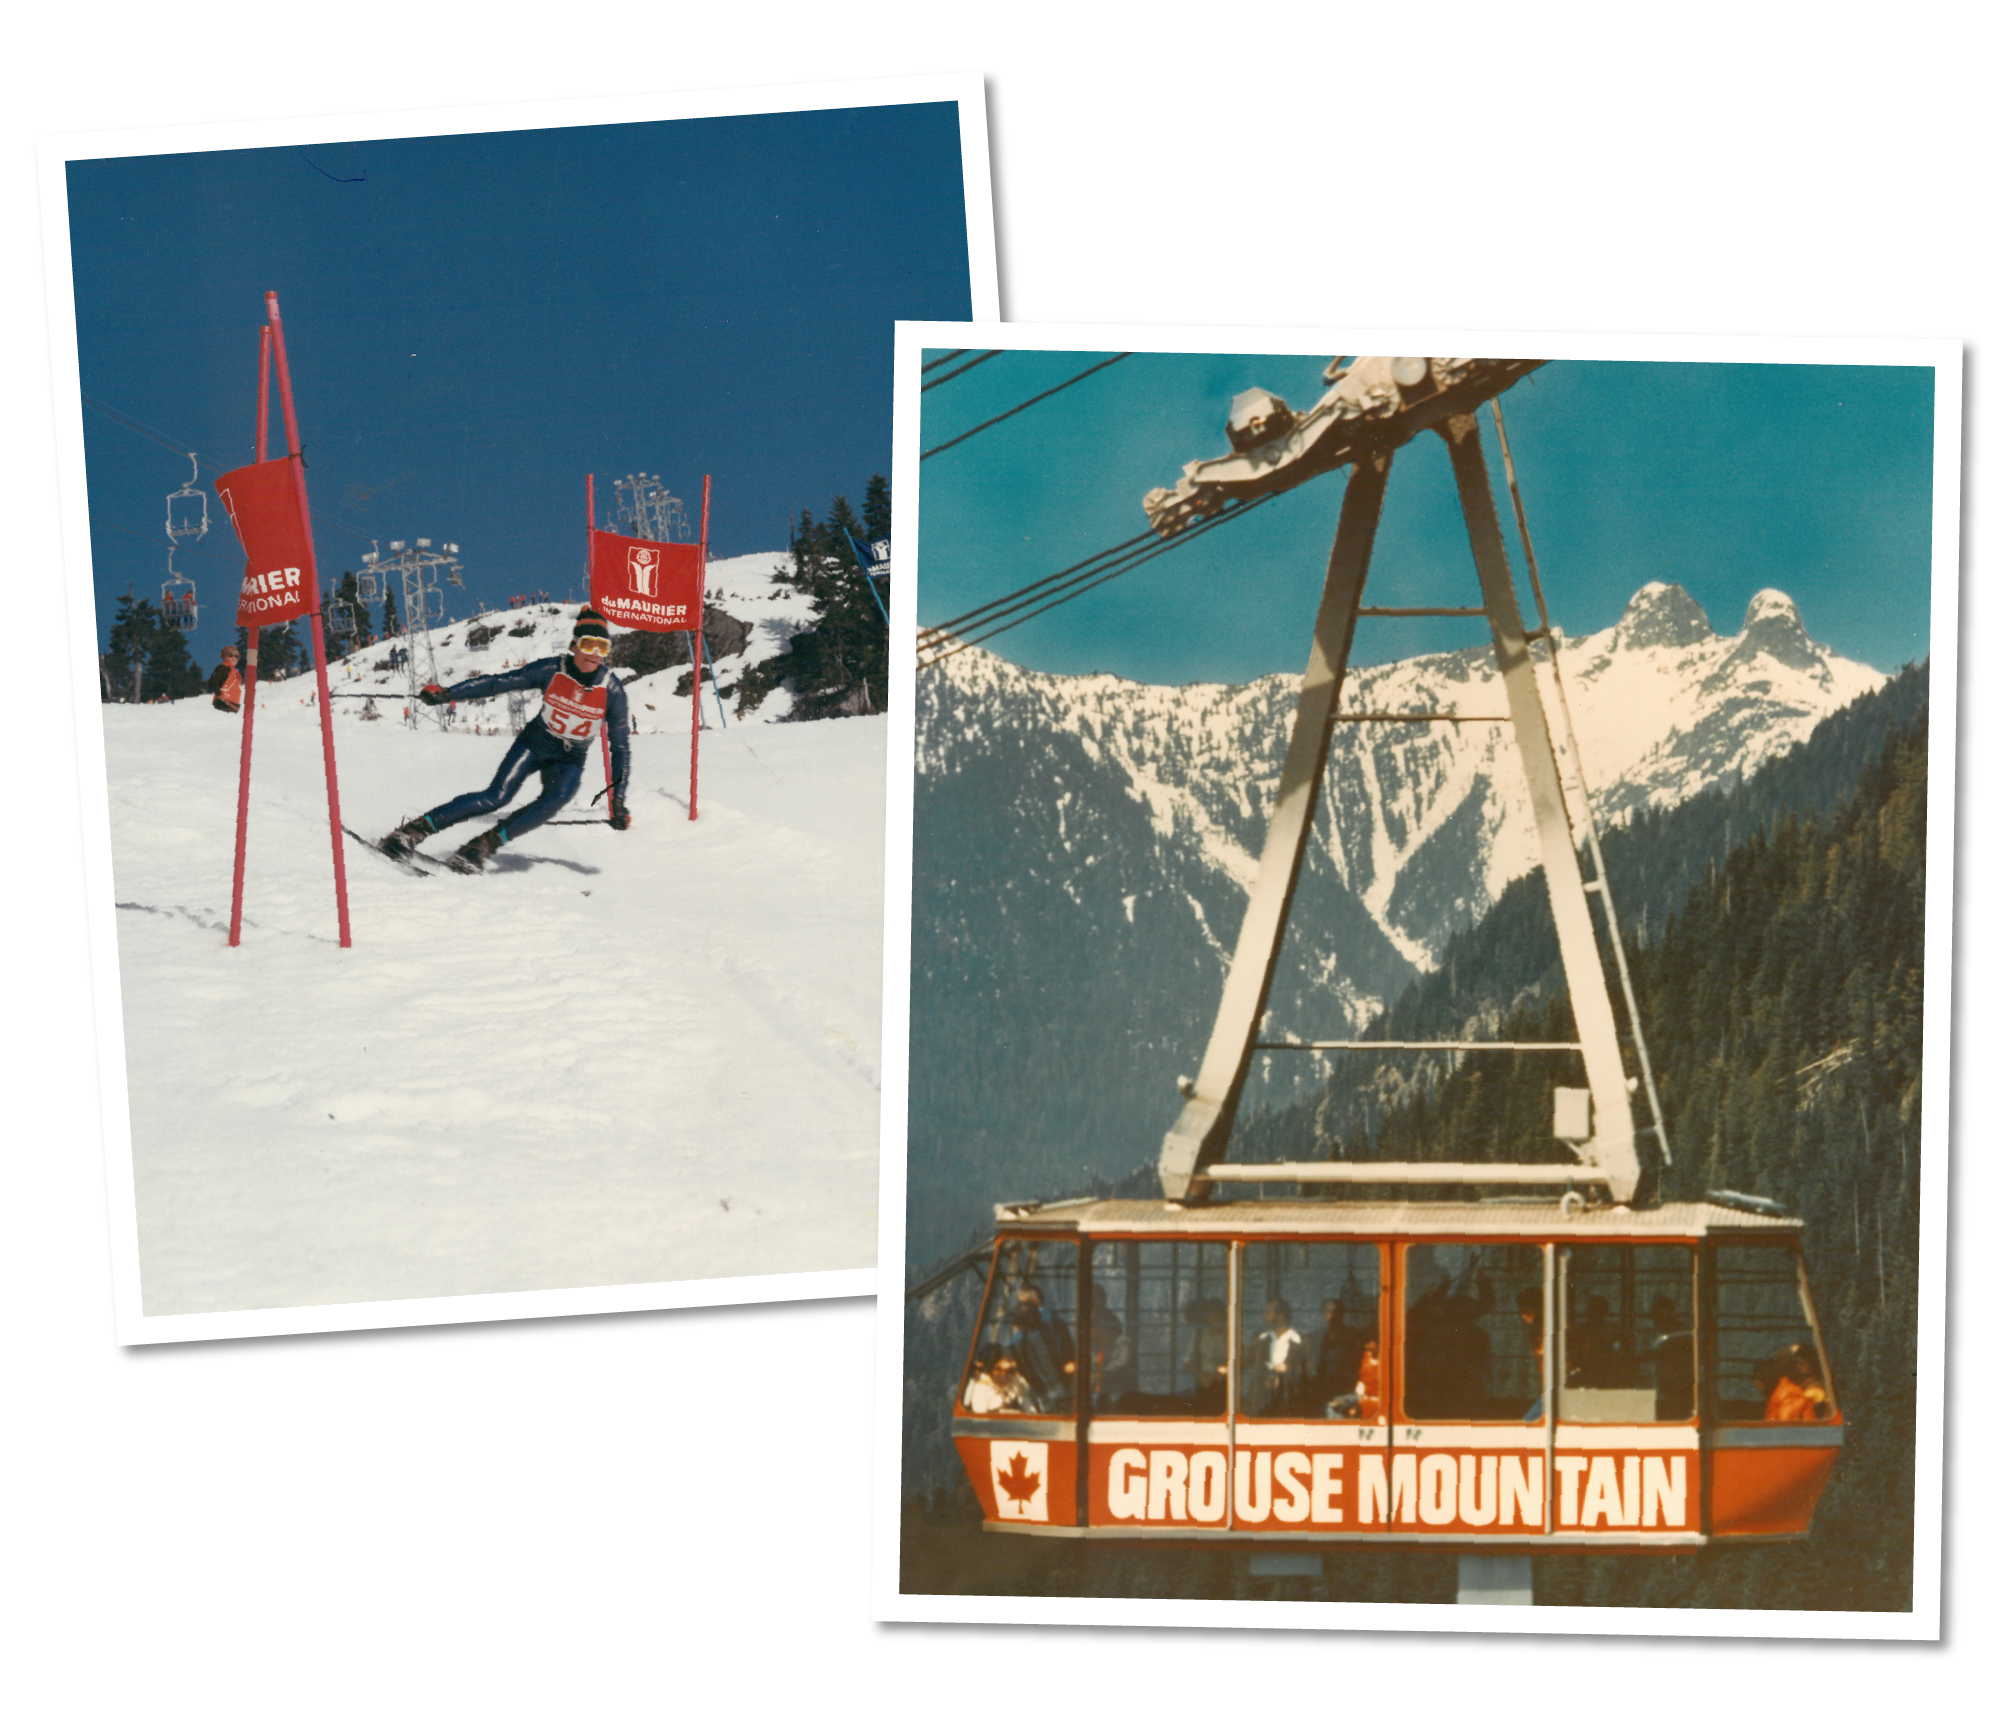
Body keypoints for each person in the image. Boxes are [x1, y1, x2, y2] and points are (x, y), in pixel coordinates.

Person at [380, 607, 632, 870]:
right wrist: (448, 694)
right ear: (574, 645)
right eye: (588, 644)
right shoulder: (552, 669)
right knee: (496, 797)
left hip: (570, 757)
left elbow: (621, 748)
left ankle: (481, 846)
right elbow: (500, 683)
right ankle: (411, 832)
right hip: (536, 743)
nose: (594, 653)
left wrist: (619, 800)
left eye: (602, 647)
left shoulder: (612, 691)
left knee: (558, 797)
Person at [1000, 1286, 1076, 1413]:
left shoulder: (1022, 1340)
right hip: (1058, 1384)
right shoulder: (1048, 1327)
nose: (1022, 1308)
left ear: (1035, 1302)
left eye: (1023, 1303)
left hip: (1047, 1388)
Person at [1245, 1297, 1310, 1416]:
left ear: (1281, 1316)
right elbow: (1243, 1360)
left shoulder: (1301, 1341)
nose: (1264, 1316)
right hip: (1262, 1401)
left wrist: (1289, 1368)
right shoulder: (1261, 1339)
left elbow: (1311, 1370)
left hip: (1289, 1400)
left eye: (1268, 1312)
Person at [1637, 1297, 1696, 1420]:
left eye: (1659, 1317)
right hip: (1670, 1394)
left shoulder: (1676, 1335)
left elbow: (1654, 1354)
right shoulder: (1664, 1335)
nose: (1656, 1322)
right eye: (1655, 1317)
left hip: (1678, 1394)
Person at [1764, 1344, 1832, 1423]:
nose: (1797, 1367)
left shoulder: (1814, 1391)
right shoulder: (1802, 1386)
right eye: (1797, 1364)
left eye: (1801, 1364)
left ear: (1812, 1367)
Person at [1314, 1298, 1364, 1405]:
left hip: (1345, 1388)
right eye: (1328, 1311)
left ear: (1342, 1314)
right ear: (1323, 1314)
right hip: (1320, 1388)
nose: (1332, 1315)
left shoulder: (1353, 1335)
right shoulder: (1316, 1336)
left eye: (1336, 1311)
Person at [963, 1348, 1032, 1414]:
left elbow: (1029, 1408)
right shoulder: (981, 1389)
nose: (1003, 1375)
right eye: (998, 1369)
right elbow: (980, 1421)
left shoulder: (1016, 1382)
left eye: (1009, 1371)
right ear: (990, 1369)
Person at [1328, 1337, 1382, 1420]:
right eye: (1367, 1343)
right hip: (1360, 1396)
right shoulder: (1365, 1357)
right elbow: (1359, 1378)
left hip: (1376, 1399)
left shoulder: (1387, 1361)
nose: (1368, 1346)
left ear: (1379, 1345)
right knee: (1332, 1406)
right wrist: (1358, 1397)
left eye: (1371, 1343)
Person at [207, 645, 243, 713]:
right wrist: (219, 695)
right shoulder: (223, 668)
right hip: (223, 705)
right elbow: (212, 681)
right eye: (231, 655)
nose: (234, 658)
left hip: (232, 706)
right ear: (225, 656)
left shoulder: (235, 672)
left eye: (237, 656)